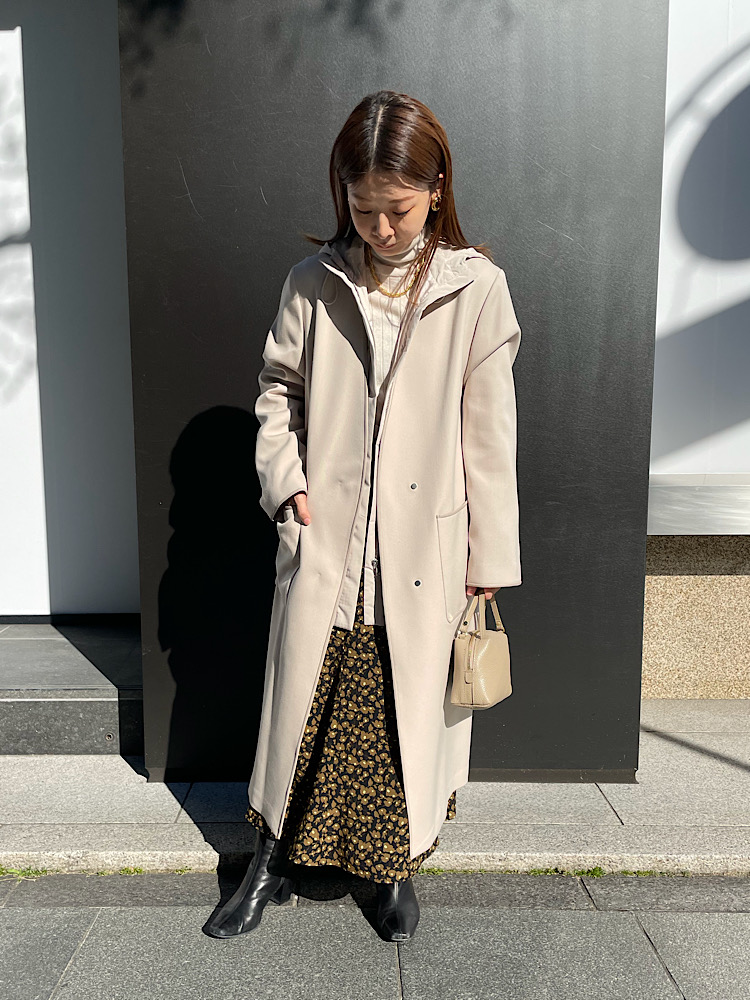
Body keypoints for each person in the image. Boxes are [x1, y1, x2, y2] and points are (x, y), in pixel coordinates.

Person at [204, 89, 523, 943]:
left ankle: (390, 871)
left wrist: (489, 554)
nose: (380, 227)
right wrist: (287, 488)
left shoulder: (477, 290)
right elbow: (278, 392)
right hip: (329, 540)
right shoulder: (313, 282)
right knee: (303, 710)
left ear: (437, 188)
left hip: (423, 549)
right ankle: (268, 862)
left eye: (398, 208)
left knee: (395, 713)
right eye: (362, 207)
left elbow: (490, 435)